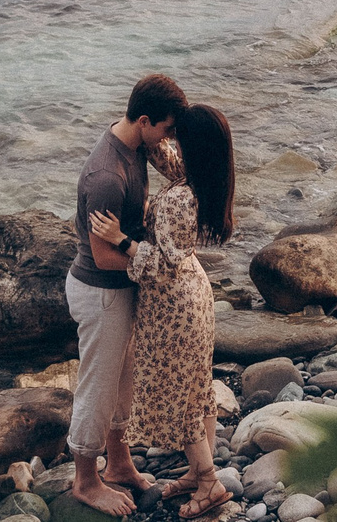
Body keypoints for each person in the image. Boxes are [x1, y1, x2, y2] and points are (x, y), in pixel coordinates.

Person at [89, 103, 234, 521]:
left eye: (178, 138)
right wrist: (144, 120)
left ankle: (209, 483)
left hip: (173, 305)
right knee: (198, 387)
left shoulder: (177, 199)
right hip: (196, 296)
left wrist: (120, 240)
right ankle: (196, 471)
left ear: (191, 146)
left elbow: (160, 267)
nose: (171, 143)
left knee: (181, 395)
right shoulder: (201, 179)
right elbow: (160, 152)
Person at [67, 73, 187, 518]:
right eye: (167, 129)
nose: (170, 139)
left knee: (124, 382)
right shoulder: (107, 175)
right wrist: (156, 262)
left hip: (121, 291)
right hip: (100, 292)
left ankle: (118, 463)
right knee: (99, 387)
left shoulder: (139, 145)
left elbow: (180, 166)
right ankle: (85, 479)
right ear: (143, 119)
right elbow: (102, 257)